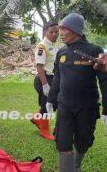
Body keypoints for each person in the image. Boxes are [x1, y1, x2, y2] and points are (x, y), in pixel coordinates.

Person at [46, 13, 107, 172]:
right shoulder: (62, 52)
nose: (60, 33)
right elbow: (57, 79)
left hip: (86, 107)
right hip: (65, 105)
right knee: (63, 142)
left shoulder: (94, 50)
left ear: (74, 30)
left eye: (63, 29)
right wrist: (50, 100)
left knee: (83, 142)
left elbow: (104, 80)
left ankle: (76, 166)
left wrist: (106, 108)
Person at [31, 21, 59, 140]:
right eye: (51, 32)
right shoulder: (42, 46)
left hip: (53, 78)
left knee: (54, 103)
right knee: (47, 104)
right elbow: (39, 67)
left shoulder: (54, 45)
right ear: (45, 32)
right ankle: (44, 130)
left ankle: (37, 118)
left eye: (56, 31)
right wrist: (45, 84)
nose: (54, 34)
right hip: (44, 78)